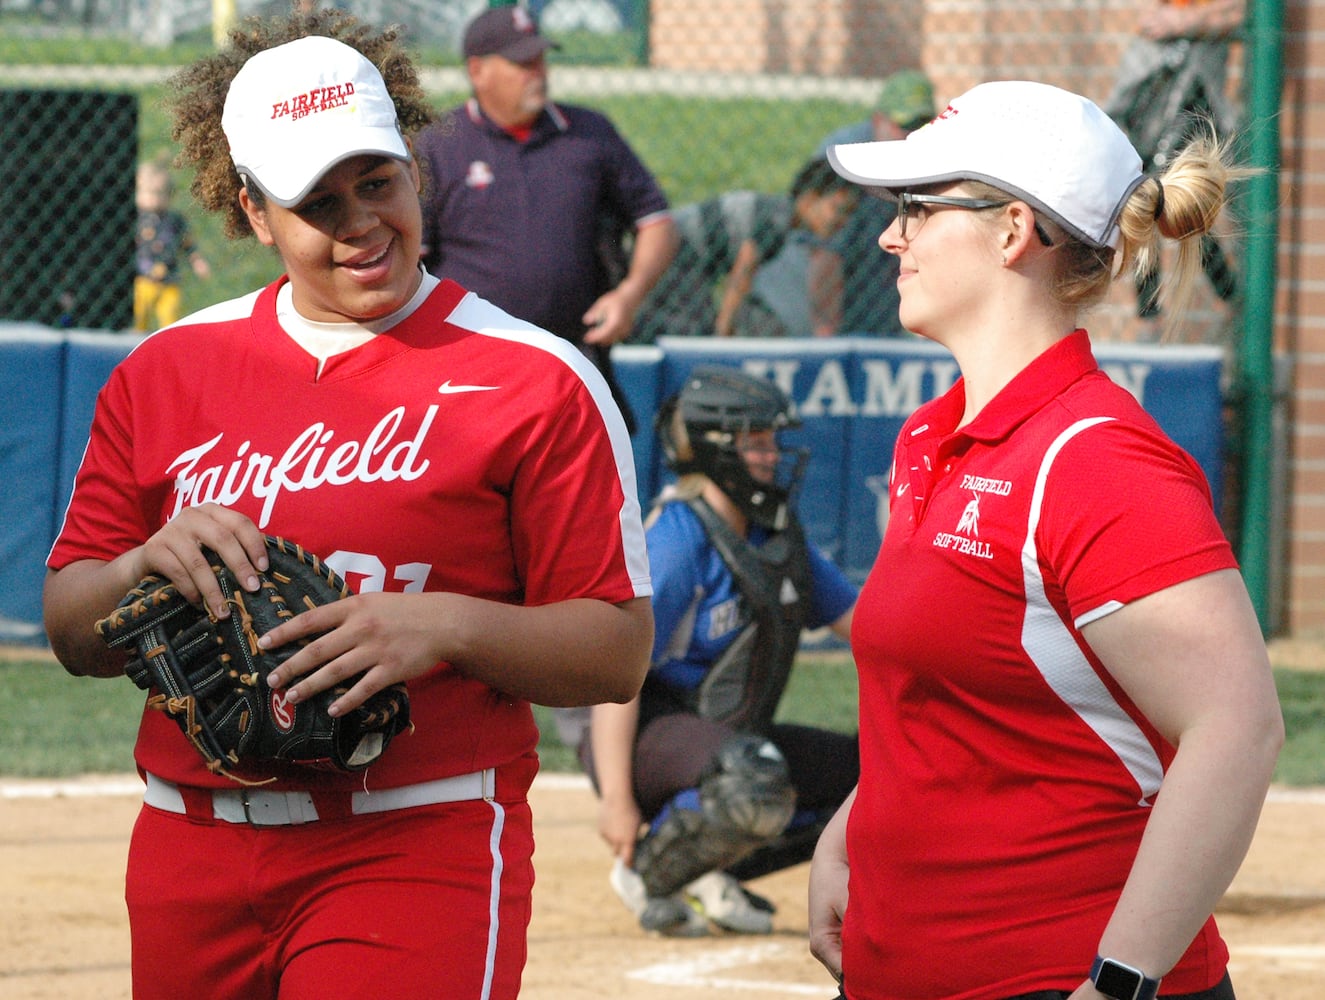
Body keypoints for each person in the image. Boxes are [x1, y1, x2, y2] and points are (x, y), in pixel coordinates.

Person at [41, 10, 652, 1000]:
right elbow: (73, 627)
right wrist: (140, 569)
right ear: (252, 213)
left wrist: (443, 625)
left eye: (378, 182)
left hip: (417, 835)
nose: (362, 221)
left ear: (416, 168)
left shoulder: (534, 379)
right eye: (316, 203)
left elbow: (614, 649)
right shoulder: (165, 371)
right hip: (187, 845)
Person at [816, 80, 1282, 999]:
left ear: (1012, 230)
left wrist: (1118, 983)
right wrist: (849, 832)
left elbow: (1237, 727)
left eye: (917, 207)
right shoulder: (929, 436)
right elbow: (950, 699)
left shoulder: (1094, 459)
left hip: (1051, 974)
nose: (888, 236)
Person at [577, 365, 858, 936]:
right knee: (750, 777)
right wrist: (617, 801)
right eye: (756, 443)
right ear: (714, 450)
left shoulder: (776, 535)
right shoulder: (680, 537)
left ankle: (710, 871)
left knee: (877, 771)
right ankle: (649, 874)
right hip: (645, 734)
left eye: (773, 441)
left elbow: (869, 628)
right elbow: (612, 678)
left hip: (729, 740)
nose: (773, 455)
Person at [416, 4, 677, 431]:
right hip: (471, 368)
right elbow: (410, 263)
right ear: (478, 70)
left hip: (572, 358)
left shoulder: (588, 132)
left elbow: (657, 222)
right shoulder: (439, 146)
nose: (537, 71)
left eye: (539, 58)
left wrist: (629, 295)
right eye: (521, 62)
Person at [1103, 0, 1246, 331]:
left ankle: (1230, 297)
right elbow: (1151, 19)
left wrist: (1184, 22)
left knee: (1180, 203)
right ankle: (1151, 314)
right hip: (1153, 89)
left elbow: (1243, 12)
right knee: (1146, 195)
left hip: (1194, 97)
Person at [634, 159, 859, 341]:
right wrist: (723, 332)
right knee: (695, 329)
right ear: (810, 199)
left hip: (684, 257)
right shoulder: (778, 219)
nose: (842, 221)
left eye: (849, 214)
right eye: (838, 209)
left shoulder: (780, 216)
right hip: (676, 254)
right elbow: (742, 275)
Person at [810, 69, 936, 337]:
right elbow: (823, 253)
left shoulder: (932, 151)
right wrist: (824, 332)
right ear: (879, 120)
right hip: (831, 276)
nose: (913, 134)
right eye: (905, 125)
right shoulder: (843, 156)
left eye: (922, 125)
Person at [133, 159, 211, 332]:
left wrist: (197, 261)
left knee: (169, 318)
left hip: (169, 280)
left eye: (161, 193)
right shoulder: (136, 219)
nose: (154, 199)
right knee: (138, 317)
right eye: (147, 192)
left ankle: (166, 341)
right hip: (142, 280)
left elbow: (187, 244)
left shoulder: (174, 221)